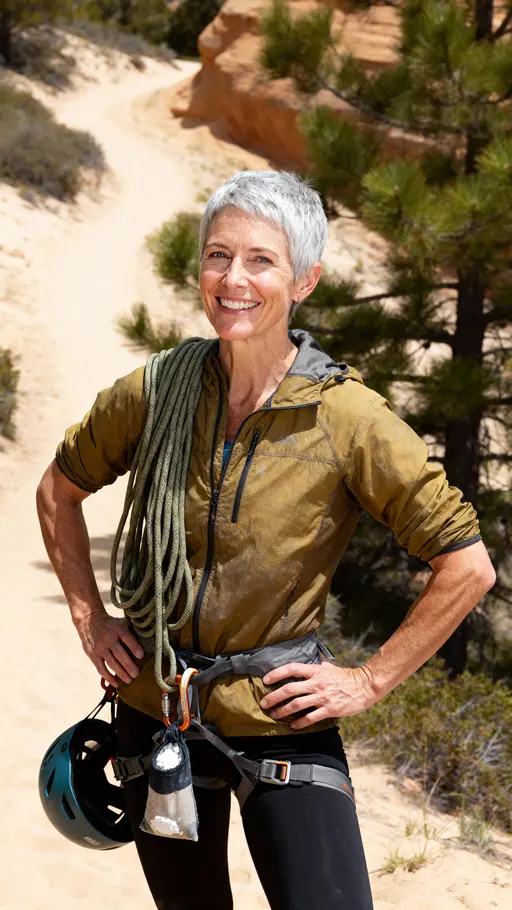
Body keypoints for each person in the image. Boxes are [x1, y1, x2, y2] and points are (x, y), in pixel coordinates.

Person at [37, 170, 495, 910]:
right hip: (157, 708)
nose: (233, 278)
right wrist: (91, 617)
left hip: (283, 713)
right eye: (218, 255)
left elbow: (468, 566)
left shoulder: (348, 418)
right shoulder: (155, 390)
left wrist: (367, 681)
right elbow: (58, 490)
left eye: (260, 260)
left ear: (304, 280)